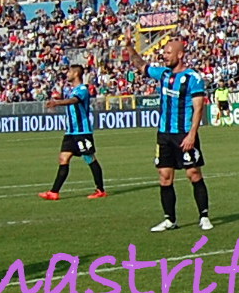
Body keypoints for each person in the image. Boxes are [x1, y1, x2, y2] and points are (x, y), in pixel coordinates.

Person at [124, 36, 212, 231]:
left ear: (180, 55)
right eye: (164, 53)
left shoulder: (192, 78)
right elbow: (141, 65)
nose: (164, 56)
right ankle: (170, 220)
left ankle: (204, 216)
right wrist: (130, 47)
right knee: (164, 176)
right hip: (164, 134)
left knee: (194, 173)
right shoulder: (163, 74)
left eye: (168, 53)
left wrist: (191, 135)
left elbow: (198, 109)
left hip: (184, 134)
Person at [39, 64, 107, 200]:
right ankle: (54, 192)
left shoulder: (82, 89)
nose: (67, 74)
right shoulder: (72, 90)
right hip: (71, 132)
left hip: (82, 132)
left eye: (69, 72)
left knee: (89, 158)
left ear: (76, 74)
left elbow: (75, 101)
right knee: (63, 159)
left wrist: (57, 103)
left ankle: (100, 190)